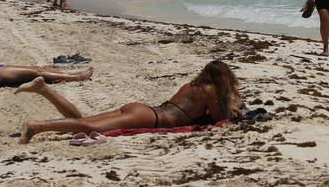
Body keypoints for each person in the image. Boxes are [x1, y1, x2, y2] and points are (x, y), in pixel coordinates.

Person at [15, 60, 242, 144]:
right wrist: (231, 106)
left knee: (83, 121)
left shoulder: (192, 85)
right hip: (152, 118)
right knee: (88, 126)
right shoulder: (210, 90)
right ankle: (37, 126)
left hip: (144, 109)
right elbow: (217, 119)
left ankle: (44, 89)